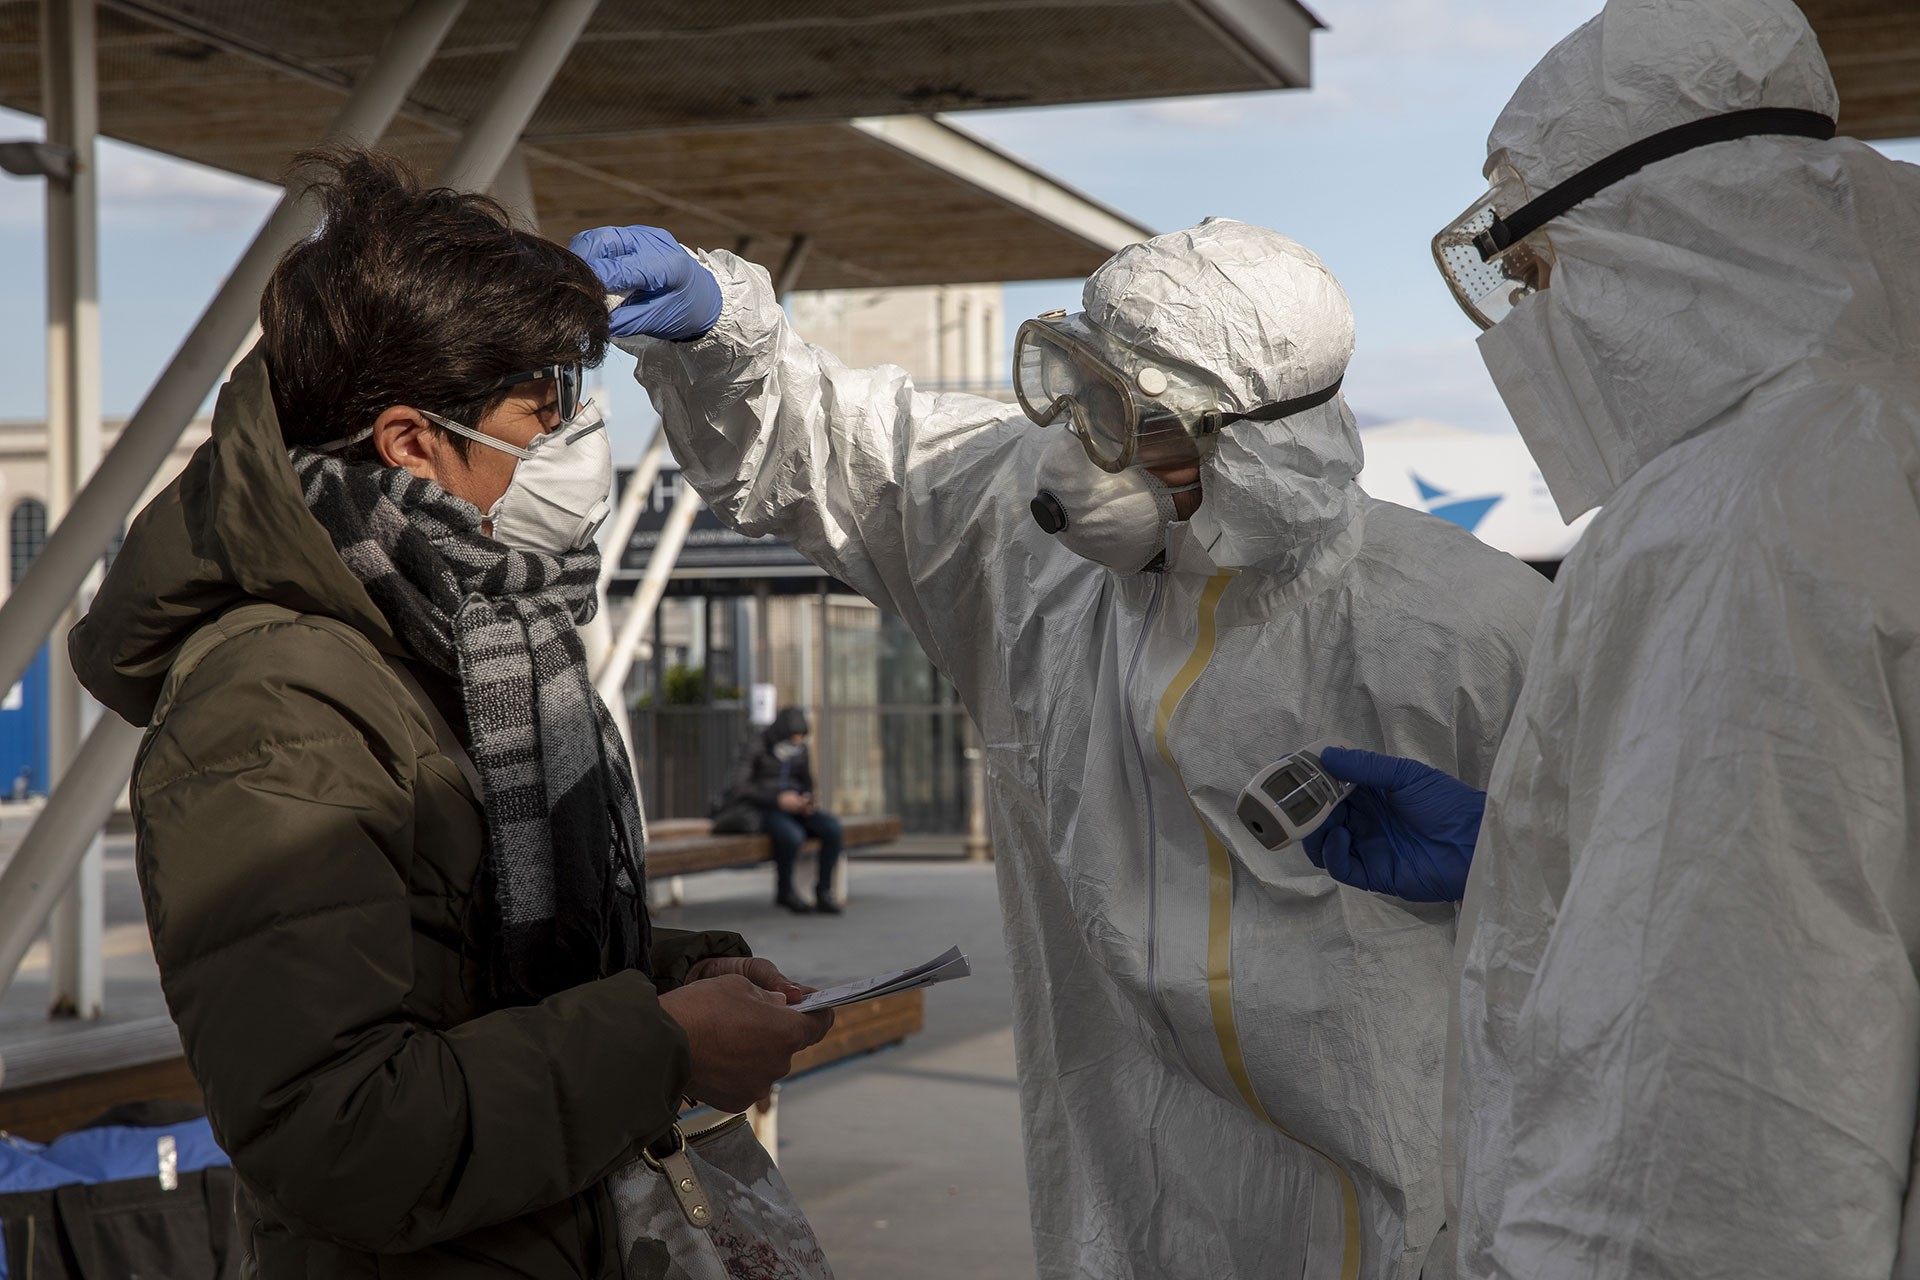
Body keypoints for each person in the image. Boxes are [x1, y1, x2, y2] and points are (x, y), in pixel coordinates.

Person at [570, 215, 1550, 1278]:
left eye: (1129, 418)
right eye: (1075, 389)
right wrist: (724, 338)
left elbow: (1628, 927)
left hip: (1390, 1205)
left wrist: (1532, 868)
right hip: (1122, 1186)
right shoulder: (1035, 558)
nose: (1078, 449)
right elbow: (854, 450)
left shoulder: (1464, 630)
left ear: (1256, 447)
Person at [68, 148, 832, 1280]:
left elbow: (463, 951)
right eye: (549, 406)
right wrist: (660, 1043)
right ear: (411, 441)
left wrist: (679, 978)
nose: (581, 444)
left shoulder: (453, 627)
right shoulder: (276, 705)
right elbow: (341, 1130)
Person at [1303, 2, 1920, 1275]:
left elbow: (1720, 1091)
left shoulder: (1735, 516)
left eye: (1536, 276)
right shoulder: (1862, 437)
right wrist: (1535, 858)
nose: (1532, 328)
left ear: (1658, 244)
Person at [719, 707, 845, 914]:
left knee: (832, 829)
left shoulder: (800, 751)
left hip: (796, 808)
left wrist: (806, 799)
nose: (795, 744)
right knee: (791, 836)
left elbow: (806, 781)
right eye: (792, 739)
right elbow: (739, 787)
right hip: (766, 809)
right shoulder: (756, 745)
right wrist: (777, 799)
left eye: (800, 740)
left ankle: (824, 891)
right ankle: (785, 891)